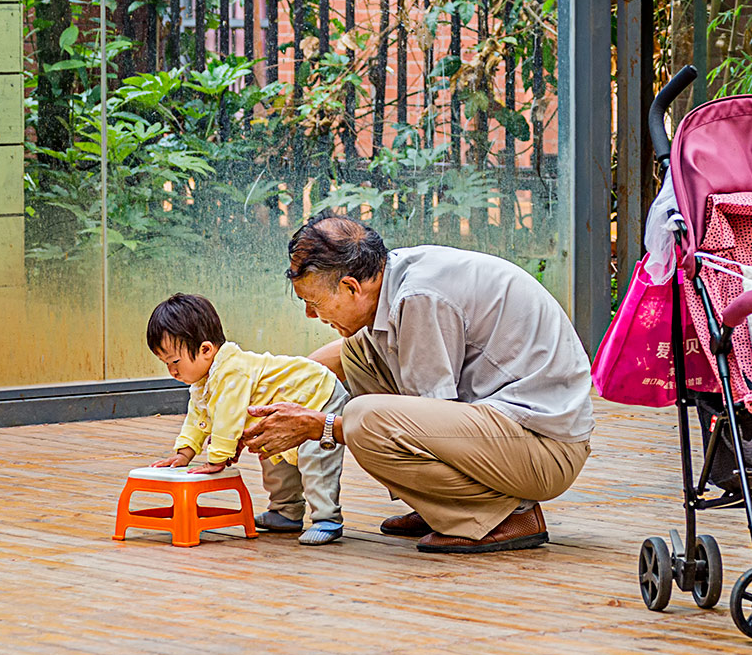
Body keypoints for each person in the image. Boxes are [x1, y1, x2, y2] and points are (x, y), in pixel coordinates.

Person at [238, 212, 594, 555]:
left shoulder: (419, 298)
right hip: (508, 432)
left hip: (545, 449)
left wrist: (318, 426)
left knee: (364, 419)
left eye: (314, 303)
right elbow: (330, 362)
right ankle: (442, 507)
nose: (310, 315)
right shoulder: (392, 278)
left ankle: (503, 516)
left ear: (349, 287)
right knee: (358, 353)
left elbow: (424, 415)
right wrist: (260, 396)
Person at [147, 293, 349, 546]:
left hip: (317, 396)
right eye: (165, 363)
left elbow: (228, 416)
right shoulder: (204, 381)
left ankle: (327, 519)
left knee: (315, 457)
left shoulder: (233, 370)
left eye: (174, 361)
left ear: (206, 350)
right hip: (280, 413)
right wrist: (183, 453)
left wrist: (218, 457)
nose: (172, 371)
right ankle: (285, 511)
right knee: (272, 456)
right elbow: (198, 416)